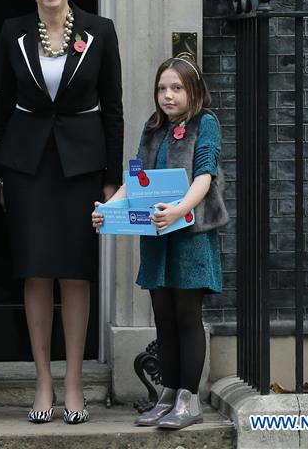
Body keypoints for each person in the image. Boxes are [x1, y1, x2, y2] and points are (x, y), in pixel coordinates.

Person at [0, 0, 124, 425]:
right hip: (26, 166)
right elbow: (1, 106)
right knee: (36, 270)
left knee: (74, 270)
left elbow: (112, 108)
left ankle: (74, 380)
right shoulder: (13, 33)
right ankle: (43, 379)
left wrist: (112, 179)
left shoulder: (100, 31)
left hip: (82, 167)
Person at [92, 54, 229, 430]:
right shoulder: (153, 128)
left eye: (176, 88)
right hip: (156, 235)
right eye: (162, 88)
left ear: (193, 90)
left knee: (187, 317)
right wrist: (109, 207)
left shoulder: (206, 123)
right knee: (164, 319)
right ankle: (167, 395)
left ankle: (189, 400)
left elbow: (204, 175)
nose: (167, 96)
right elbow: (135, 179)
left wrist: (179, 210)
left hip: (190, 236)